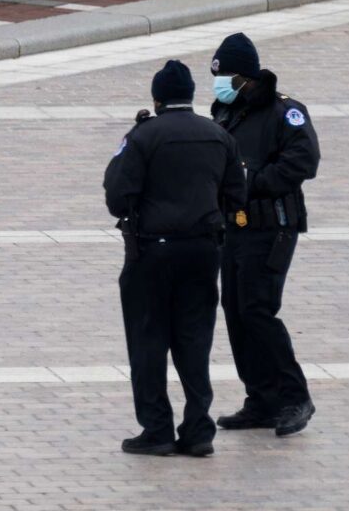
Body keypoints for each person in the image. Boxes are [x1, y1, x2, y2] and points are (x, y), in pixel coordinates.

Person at [104, 60, 244, 456]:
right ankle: (199, 431)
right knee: (195, 341)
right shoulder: (218, 135)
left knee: (148, 341)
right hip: (203, 251)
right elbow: (237, 194)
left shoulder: (144, 135)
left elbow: (117, 196)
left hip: (152, 251)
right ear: (192, 95)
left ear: (158, 97)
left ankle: (157, 430)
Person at [207, 33, 319, 439]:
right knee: (236, 311)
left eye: (227, 77)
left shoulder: (285, 111)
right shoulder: (224, 111)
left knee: (258, 309)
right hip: (233, 228)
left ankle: (294, 396)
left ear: (247, 77)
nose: (220, 85)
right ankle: (261, 398)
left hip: (272, 225)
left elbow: (304, 161)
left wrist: (250, 183)